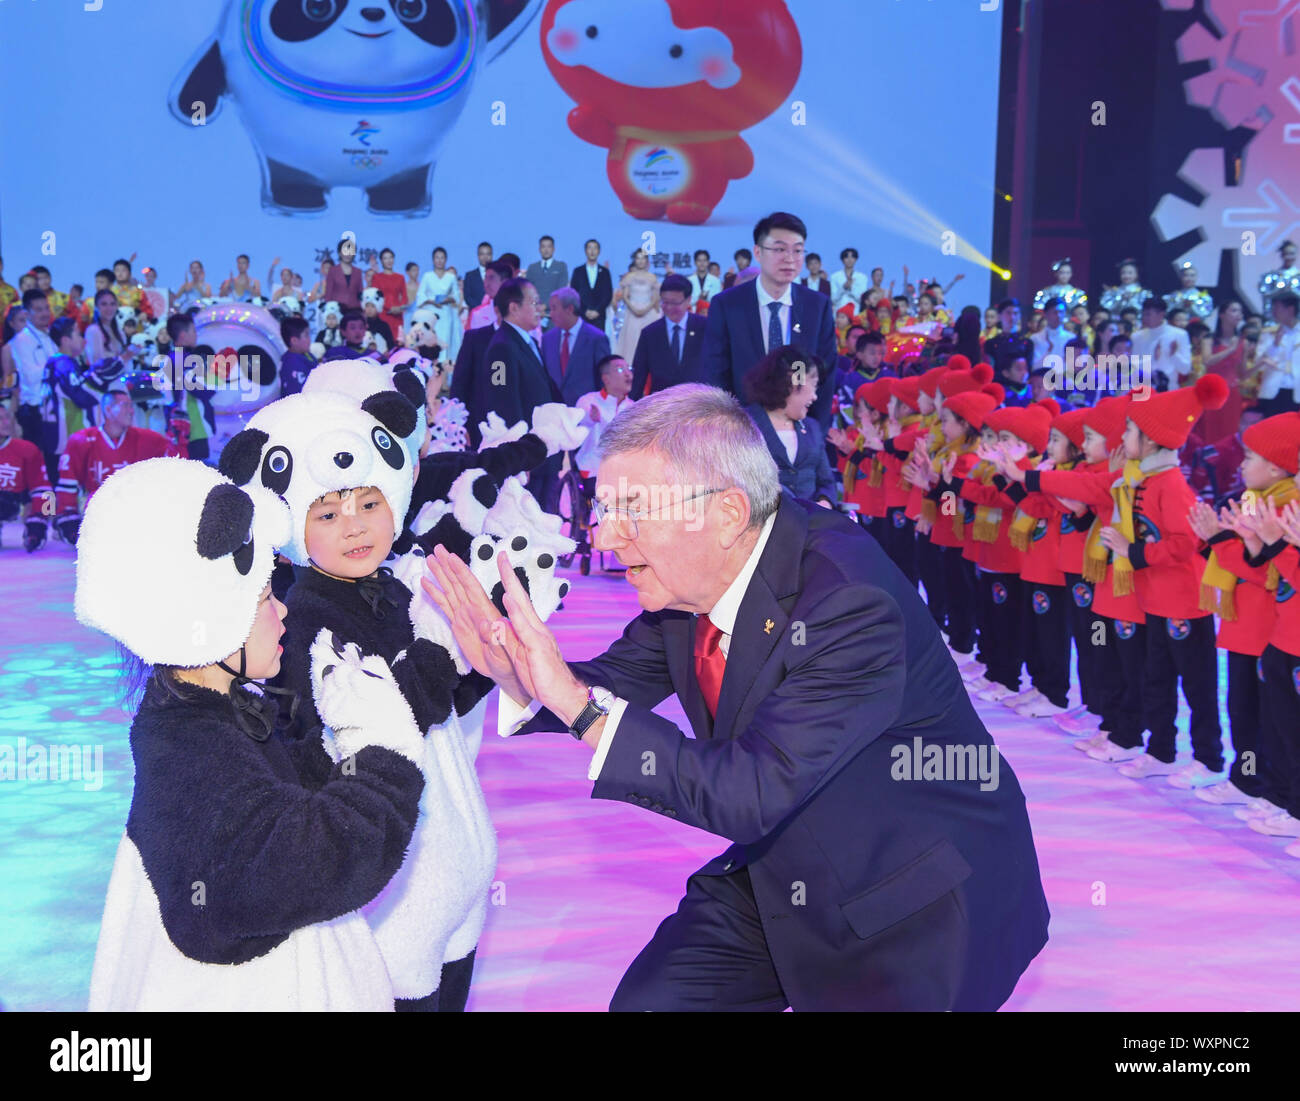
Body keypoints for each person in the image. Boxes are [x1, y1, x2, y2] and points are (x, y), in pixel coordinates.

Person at [422, 383, 1050, 1011]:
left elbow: (749, 791)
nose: (606, 539)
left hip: (909, 902)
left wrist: (579, 707)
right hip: (785, 867)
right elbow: (611, 681)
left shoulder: (847, 604)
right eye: (602, 509)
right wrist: (516, 671)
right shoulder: (695, 581)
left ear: (725, 513)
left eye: (631, 512)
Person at [77, 457, 425, 1011]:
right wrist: (385, 752)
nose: (283, 611)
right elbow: (306, 863)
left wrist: (333, 754)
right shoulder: (190, 751)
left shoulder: (213, 707)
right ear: (209, 614)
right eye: (264, 598)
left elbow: (274, 796)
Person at [703, 212, 838, 431]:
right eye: (779, 249)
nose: (790, 258)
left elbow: (825, 376)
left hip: (799, 435)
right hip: (742, 434)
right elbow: (716, 374)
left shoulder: (817, 306)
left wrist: (814, 435)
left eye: (797, 250)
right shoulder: (728, 305)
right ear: (758, 252)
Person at [53, 388, 178, 544]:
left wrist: (180, 440)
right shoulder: (81, 440)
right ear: (108, 409)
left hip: (135, 507)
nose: (131, 411)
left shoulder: (148, 439)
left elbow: (176, 465)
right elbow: (67, 483)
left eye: (131, 406)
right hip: (98, 507)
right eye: (125, 405)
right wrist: (66, 514)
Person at [480, 278, 563, 508]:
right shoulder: (501, 347)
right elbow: (503, 403)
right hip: (528, 457)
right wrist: (520, 453)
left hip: (543, 450)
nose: (540, 308)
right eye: (534, 302)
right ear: (514, 307)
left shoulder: (528, 341)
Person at [743, 346, 835, 507]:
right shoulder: (744, 425)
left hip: (811, 525)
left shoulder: (812, 428)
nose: (815, 396)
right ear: (792, 381)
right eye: (813, 385)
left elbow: (826, 482)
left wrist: (825, 502)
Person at [629, 273, 708, 398]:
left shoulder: (705, 328)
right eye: (665, 302)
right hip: (662, 407)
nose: (669, 308)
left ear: (688, 300)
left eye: (675, 303)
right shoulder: (650, 333)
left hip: (698, 404)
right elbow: (638, 377)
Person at [541, 286, 611, 407]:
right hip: (554, 413)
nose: (550, 314)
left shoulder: (596, 338)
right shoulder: (547, 339)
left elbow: (604, 380)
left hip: (587, 413)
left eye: (554, 308)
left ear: (570, 309)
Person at [0, 399, 55, 552]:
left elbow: (45, 489)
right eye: (0, 419)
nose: (6, 423)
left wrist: (42, 518)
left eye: (7, 418)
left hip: (10, 502)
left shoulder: (26, 450)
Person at [8, 288, 57, 456]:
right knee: (39, 459)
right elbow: (30, 376)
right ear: (27, 313)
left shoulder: (51, 335)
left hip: (54, 407)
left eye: (46, 308)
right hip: (35, 410)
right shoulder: (22, 340)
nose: (44, 313)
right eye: (38, 310)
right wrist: (55, 367)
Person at [574, 354, 635, 478]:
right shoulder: (589, 401)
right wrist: (591, 418)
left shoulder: (634, 407)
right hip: (593, 472)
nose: (628, 374)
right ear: (606, 379)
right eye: (620, 369)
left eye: (629, 368)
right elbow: (582, 418)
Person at [1196, 299, 1246, 441]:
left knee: (1230, 431)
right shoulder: (1209, 339)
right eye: (1234, 310)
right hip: (1212, 392)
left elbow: (1242, 373)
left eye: (1240, 312)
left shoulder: (1243, 342)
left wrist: (1261, 363)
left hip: (1232, 393)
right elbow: (1207, 361)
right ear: (1222, 315)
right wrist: (1230, 349)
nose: (1238, 315)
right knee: (1209, 430)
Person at [1130, 297, 1192, 391]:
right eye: (1144, 314)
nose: (1144, 318)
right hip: (1143, 390)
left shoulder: (1179, 334)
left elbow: (1185, 369)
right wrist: (1152, 358)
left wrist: (1173, 355)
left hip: (1169, 391)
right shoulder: (1137, 337)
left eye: (1148, 314)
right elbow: (1132, 369)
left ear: (1161, 314)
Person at [1255, 292, 1300, 416]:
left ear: (1290, 309)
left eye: (1277, 307)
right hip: (1272, 390)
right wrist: (1274, 344)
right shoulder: (1268, 333)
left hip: (1296, 391)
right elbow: (1258, 363)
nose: (1274, 311)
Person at [613, 249, 661, 363]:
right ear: (634, 260)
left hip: (648, 313)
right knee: (631, 342)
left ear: (647, 261)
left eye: (643, 258)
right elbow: (625, 296)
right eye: (638, 258)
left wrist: (646, 309)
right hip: (632, 312)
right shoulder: (629, 277)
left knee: (649, 341)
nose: (640, 261)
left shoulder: (652, 277)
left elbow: (655, 297)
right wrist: (634, 309)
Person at [415, 246, 462, 360]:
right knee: (430, 341)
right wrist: (432, 301)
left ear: (446, 259)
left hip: (446, 313)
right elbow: (420, 295)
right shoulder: (427, 276)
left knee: (446, 342)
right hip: (431, 313)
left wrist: (447, 299)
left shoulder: (451, 277)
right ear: (433, 260)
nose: (439, 260)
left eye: (442, 258)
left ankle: (445, 371)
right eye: (437, 257)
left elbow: (456, 295)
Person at [525, 236, 569, 328]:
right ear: (539, 249)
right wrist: (536, 307)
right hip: (534, 316)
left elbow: (560, 291)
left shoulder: (561, 267)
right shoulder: (532, 268)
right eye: (543, 247)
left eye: (549, 247)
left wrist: (544, 306)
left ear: (553, 249)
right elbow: (527, 292)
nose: (546, 250)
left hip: (554, 316)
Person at [571, 239, 614, 331]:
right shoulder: (578, 271)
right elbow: (574, 293)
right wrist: (584, 310)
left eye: (595, 248)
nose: (592, 251)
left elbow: (608, 294)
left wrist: (598, 311)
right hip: (582, 316)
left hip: (599, 317)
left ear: (599, 251)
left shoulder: (605, 272)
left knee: (598, 344)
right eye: (589, 248)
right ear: (585, 251)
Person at [368, 247, 408, 343]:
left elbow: (404, 297)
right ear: (381, 261)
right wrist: (389, 308)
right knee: (383, 342)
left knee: (397, 343)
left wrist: (400, 308)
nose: (388, 260)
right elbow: (375, 297)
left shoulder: (400, 277)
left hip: (397, 316)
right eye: (385, 258)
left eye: (390, 258)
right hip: (383, 314)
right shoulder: (377, 277)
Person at [1258, 239, 1299, 321]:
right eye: (1286, 254)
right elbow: (1266, 297)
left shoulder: (1298, 275)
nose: (1289, 257)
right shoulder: (1273, 276)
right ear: (1282, 255)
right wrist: (1279, 291)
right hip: (1278, 318)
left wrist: (1294, 292)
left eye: (1292, 254)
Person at [1028, 297, 1074, 370]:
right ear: (1046, 314)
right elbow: (1033, 367)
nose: (1058, 316)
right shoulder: (1035, 338)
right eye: (1055, 312)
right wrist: (1049, 350)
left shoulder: (1071, 338)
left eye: (1061, 312)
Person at [279, 315, 317, 397]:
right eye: (306, 335)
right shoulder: (292, 364)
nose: (309, 339)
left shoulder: (306, 354)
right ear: (294, 341)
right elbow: (301, 394)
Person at [323, 239, 362, 308]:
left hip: (354, 310)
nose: (348, 254)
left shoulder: (358, 272)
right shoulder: (332, 271)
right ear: (339, 253)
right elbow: (328, 294)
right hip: (336, 310)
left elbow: (360, 293)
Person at [829, 248, 867, 313]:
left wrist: (851, 288)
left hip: (855, 313)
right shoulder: (835, 277)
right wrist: (843, 287)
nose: (849, 260)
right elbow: (833, 299)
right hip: (839, 314)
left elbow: (862, 299)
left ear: (856, 259)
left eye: (852, 257)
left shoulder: (862, 277)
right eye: (847, 257)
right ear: (842, 260)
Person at [462, 241, 494, 313]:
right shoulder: (470, 276)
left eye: (488, 254)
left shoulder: (498, 275)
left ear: (492, 256)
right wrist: (481, 308)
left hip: (493, 315)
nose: (485, 257)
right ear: (478, 256)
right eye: (482, 254)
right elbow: (467, 297)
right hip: (476, 315)